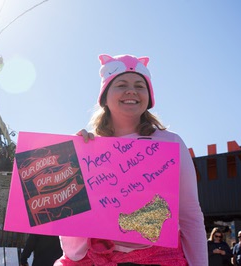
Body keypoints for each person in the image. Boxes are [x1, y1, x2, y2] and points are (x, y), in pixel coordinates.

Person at [54, 54, 208, 266]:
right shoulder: (86, 148)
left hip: (160, 259)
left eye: (139, 85)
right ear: (104, 96)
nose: (131, 91)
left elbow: (190, 215)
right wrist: (73, 161)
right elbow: (73, 249)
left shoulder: (170, 143)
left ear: (149, 97)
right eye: (121, 84)